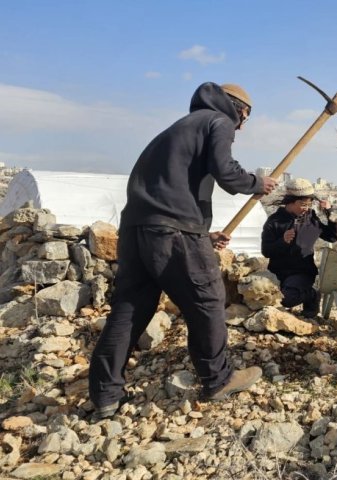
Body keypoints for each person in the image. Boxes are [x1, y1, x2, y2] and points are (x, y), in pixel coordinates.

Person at [89, 82, 278, 420]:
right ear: (234, 107)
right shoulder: (218, 121)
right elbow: (227, 173)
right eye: (244, 116)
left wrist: (204, 237)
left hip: (137, 228)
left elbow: (170, 193)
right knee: (207, 300)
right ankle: (218, 379)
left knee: (129, 309)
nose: (242, 125)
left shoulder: (177, 129)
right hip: (173, 229)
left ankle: (105, 395)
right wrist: (256, 183)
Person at [261, 178, 337, 318]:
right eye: (303, 204)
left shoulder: (310, 219)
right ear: (291, 201)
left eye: (309, 205)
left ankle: (312, 295)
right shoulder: (274, 221)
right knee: (262, 297)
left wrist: (329, 213)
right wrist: (282, 241)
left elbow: (331, 237)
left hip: (302, 272)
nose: (306, 208)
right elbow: (266, 251)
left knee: (284, 299)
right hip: (278, 273)